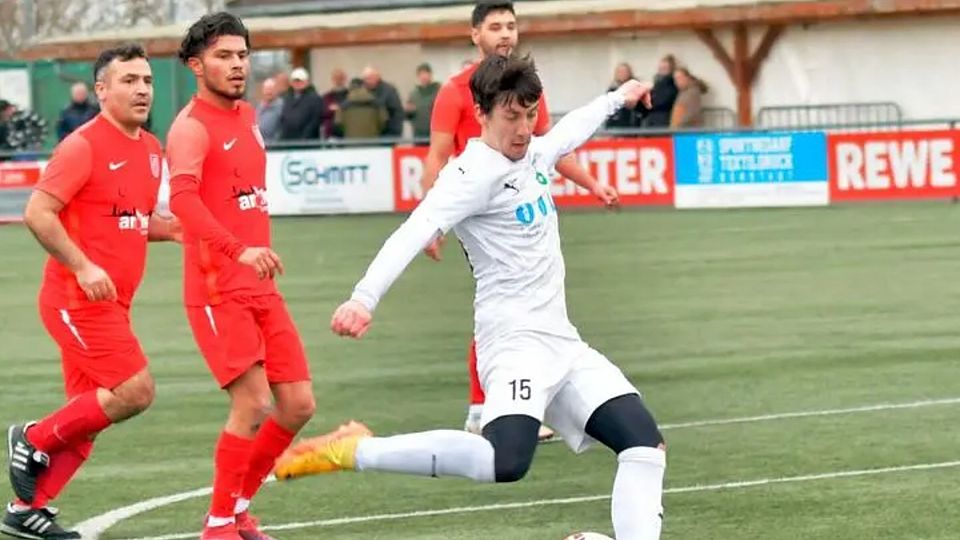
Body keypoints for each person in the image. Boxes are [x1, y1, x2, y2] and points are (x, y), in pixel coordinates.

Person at [274, 54, 665, 540]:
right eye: (510, 116)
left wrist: (619, 97)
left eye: (528, 114)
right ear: (481, 113)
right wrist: (363, 298)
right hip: (512, 344)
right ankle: (353, 449)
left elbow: (568, 132)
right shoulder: (470, 175)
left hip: (562, 343)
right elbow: (414, 229)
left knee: (644, 446)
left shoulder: (534, 152)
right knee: (505, 460)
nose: (522, 129)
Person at [420, 0, 618, 441]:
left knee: (530, 311)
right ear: (475, 35)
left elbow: (548, 148)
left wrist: (591, 183)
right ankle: (488, 407)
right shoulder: (456, 91)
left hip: (525, 213)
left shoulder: (529, 87)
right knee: (503, 309)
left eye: (511, 26)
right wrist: (431, 224)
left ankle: (506, 402)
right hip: (483, 221)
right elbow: (435, 156)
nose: (506, 34)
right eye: (495, 27)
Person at [4, 43, 179, 540]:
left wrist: (185, 230)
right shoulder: (82, 145)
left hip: (112, 304)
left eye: (146, 80)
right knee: (135, 391)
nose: (141, 89)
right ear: (101, 90)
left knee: (87, 418)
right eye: (128, 81)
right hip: (75, 301)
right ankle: (30, 437)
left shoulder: (149, 149)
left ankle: (24, 509)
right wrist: (82, 267)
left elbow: (134, 221)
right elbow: (38, 213)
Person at [166, 12, 316, 540]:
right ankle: (218, 527)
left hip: (259, 286)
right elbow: (182, 199)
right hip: (216, 287)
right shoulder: (189, 127)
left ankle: (237, 508)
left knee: (298, 404)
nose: (236, 65)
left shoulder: (250, 114)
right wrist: (238, 250)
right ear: (195, 65)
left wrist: (253, 255)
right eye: (223, 56)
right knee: (252, 403)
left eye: (242, 55)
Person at [278, 67, 325, 141]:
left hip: (307, 143)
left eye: (300, 81)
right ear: (291, 83)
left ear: (307, 82)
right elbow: (282, 119)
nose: (297, 83)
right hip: (287, 141)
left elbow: (315, 121)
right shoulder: (286, 98)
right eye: (295, 81)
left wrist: (304, 138)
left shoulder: (315, 98)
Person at [405, 63, 441, 140]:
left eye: (426, 74)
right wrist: (408, 111)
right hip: (418, 135)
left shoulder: (439, 91)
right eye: (421, 74)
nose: (424, 77)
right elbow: (408, 116)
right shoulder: (413, 94)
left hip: (436, 134)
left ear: (430, 75)